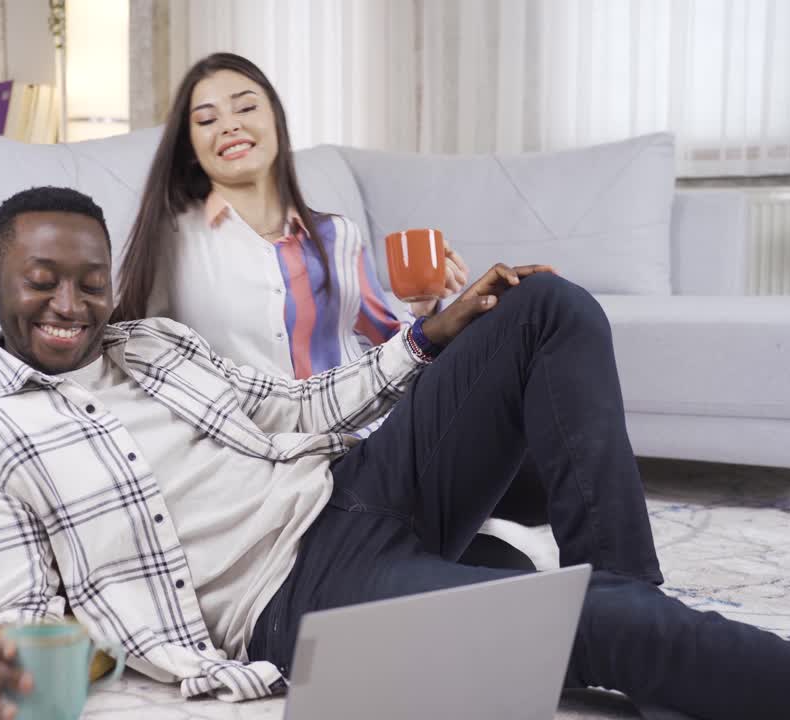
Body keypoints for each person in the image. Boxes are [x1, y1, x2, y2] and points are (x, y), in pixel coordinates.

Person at [0, 186, 790, 720]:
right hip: (297, 598)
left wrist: (429, 334)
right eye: (40, 281)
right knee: (596, 620)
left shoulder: (152, 344)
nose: (70, 304)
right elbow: (16, 602)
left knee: (543, 306)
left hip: (352, 488)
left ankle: (633, 613)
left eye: (89, 280)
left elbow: (300, 413)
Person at [115, 52, 546, 569]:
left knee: (536, 469)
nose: (228, 124)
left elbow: (394, 350)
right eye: (206, 119)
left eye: (245, 107)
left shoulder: (337, 235)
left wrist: (426, 304)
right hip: (276, 474)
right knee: (507, 564)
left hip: (373, 445)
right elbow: (138, 357)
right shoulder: (172, 241)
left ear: (275, 119)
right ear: (190, 148)